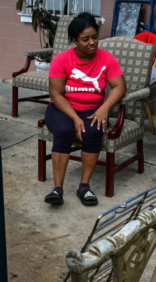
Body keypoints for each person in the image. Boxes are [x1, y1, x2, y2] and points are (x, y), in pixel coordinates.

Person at [44, 12, 126, 206]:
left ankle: (84, 187)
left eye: (95, 37)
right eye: (85, 39)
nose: (92, 42)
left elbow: (120, 86)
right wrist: (74, 117)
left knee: (93, 131)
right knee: (63, 131)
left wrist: (104, 108)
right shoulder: (62, 59)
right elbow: (56, 94)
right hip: (62, 109)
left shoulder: (106, 59)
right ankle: (57, 189)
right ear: (74, 40)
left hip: (92, 109)